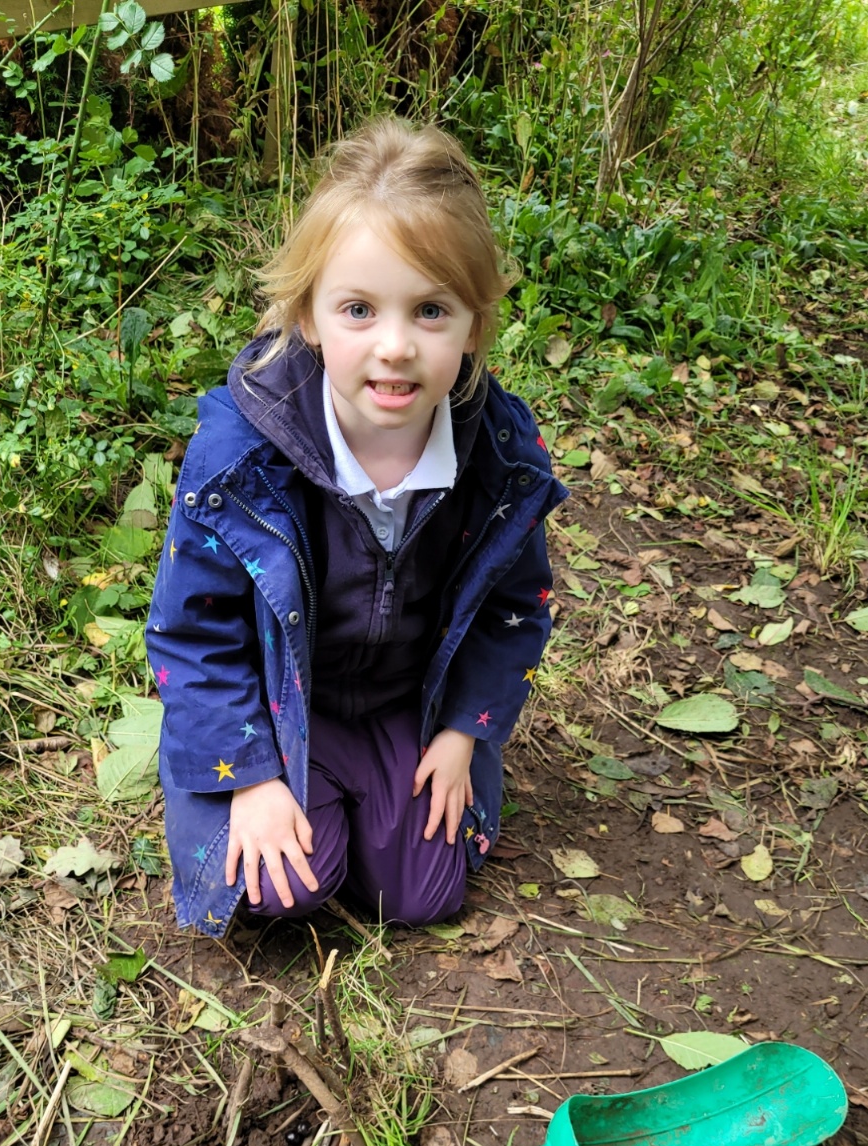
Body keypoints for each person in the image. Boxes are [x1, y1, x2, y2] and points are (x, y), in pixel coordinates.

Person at [145, 117, 567, 936]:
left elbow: (515, 608)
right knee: (278, 891)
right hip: (273, 705)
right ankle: (269, 786)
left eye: (431, 310)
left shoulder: (499, 454)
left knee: (426, 895)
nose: (395, 346)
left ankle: (372, 789)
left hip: (400, 702)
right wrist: (251, 779)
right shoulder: (240, 457)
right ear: (308, 316)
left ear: (476, 324)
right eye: (359, 310)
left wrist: (462, 732)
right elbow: (192, 633)